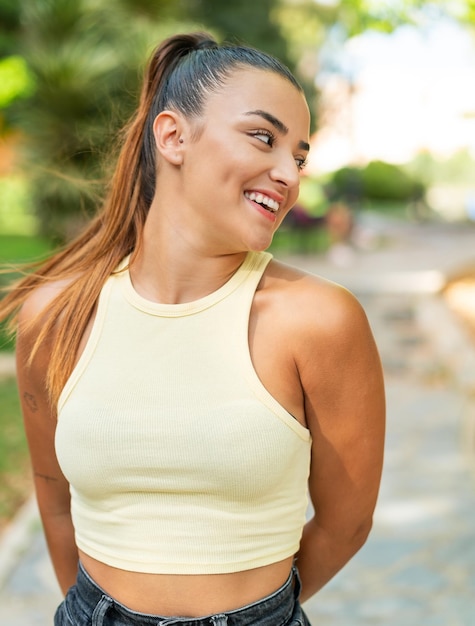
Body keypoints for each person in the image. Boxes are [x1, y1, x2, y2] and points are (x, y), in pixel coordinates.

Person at [0, 32, 385, 626]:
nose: (289, 173)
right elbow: (54, 506)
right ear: (173, 136)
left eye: (300, 156)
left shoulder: (319, 320)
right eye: (264, 138)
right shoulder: (56, 316)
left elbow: (346, 522)